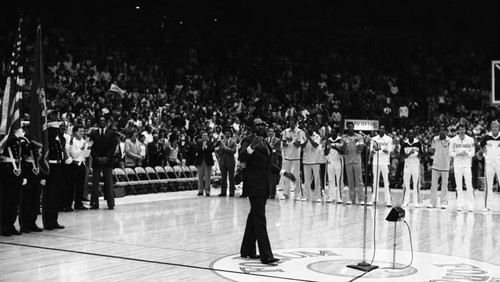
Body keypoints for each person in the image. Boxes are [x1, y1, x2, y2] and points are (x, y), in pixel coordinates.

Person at [239, 118, 295, 265]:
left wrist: (284, 172)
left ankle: (247, 250)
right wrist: (251, 147)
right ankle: (266, 255)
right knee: (260, 218)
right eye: (258, 125)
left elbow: (269, 165)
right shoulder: (248, 140)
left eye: (263, 124)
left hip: (263, 185)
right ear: (252, 127)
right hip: (254, 185)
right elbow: (242, 156)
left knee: (254, 216)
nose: (261, 127)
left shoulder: (265, 143)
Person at [19, 122, 44, 233]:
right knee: (26, 200)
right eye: (28, 129)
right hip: (27, 170)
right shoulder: (23, 141)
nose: (31, 131)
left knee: (35, 199)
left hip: (35, 172)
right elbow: (24, 152)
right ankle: (24, 224)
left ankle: (32, 222)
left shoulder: (34, 141)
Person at [89, 116, 118, 210]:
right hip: (97, 160)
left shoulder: (112, 133)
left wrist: (107, 157)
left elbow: (113, 147)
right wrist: (96, 157)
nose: (102, 122)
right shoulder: (93, 133)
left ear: (106, 122)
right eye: (100, 120)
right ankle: (94, 203)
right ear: (98, 123)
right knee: (95, 183)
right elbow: (91, 147)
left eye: (103, 121)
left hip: (108, 161)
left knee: (109, 182)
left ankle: (110, 204)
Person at [44, 117, 66, 230]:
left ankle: (54, 220)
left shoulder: (57, 142)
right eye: (54, 130)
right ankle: (48, 222)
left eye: (57, 131)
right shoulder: (46, 142)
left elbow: (60, 157)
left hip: (57, 169)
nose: (56, 133)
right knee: (50, 197)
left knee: (56, 197)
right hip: (50, 170)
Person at [1, 129, 24, 236]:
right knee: (6, 200)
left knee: (15, 201)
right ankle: (4, 226)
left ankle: (11, 224)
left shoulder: (17, 140)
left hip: (16, 172)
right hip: (7, 171)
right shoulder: (5, 139)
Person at [449, 124, 475, 212]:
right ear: (458, 130)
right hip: (457, 165)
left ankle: (471, 205)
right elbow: (450, 153)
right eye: (460, 129)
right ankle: (459, 205)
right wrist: (458, 154)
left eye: (463, 129)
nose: (462, 131)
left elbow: (473, 153)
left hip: (467, 165)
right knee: (458, 186)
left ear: (465, 130)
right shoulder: (453, 140)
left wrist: (466, 153)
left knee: (469, 185)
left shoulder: (470, 140)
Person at [66, 124, 92, 210]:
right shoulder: (72, 140)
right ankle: (68, 204)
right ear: (75, 131)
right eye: (80, 131)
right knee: (71, 185)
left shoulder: (83, 140)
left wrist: (89, 148)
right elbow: (73, 154)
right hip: (74, 164)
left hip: (82, 164)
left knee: (81, 185)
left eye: (83, 131)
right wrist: (83, 147)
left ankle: (78, 204)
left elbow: (86, 155)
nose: (82, 133)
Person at [427, 125, 451, 209]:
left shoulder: (449, 141)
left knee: (444, 185)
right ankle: (432, 202)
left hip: (445, 166)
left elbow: (451, 153)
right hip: (436, 165)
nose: (442, 132)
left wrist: (451, 164)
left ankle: (443, 202)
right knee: (433, 185)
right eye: (440, 130)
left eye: (443, 130)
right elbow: (432, 150)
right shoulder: (435, 139)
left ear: (446, 131)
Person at [369, 125, 393, 206]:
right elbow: (371, 152)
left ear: (385, 130)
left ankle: (388, 200)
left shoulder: (389, 139)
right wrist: (374, 150)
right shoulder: (374, 139)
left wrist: (381, 148)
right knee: (375, 181)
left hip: (385, 163)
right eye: (380, 129)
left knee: (386, 182)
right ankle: (374, 199)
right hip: (375, 162)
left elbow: (388, 151)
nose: (381, 130)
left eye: (383, 129)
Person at [341, 122, 365, 205]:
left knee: (359, 181)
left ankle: (361, 199)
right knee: (350, 181)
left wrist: (357, 142)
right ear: (347, 128)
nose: (351, 128)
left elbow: (361, 149)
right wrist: (345, 143)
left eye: (352, 127)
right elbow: (343, 150)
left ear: (354, 127)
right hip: (348, 161)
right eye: (349, 127)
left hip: (357, 161)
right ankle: (351, 199)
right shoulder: (343, 137)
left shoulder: (359, 136)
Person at [280, 117, 304, 200]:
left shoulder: (299, 132)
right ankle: (286, 193)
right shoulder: (286, 131)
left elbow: (299, 144)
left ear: (296, 123)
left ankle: (297, 194)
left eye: (292, 123)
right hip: (287, 157)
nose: (291, 124)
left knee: (297, 175)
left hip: (296, 157)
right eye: (290, 123)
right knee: (286, 175)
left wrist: (292, 140)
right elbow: (283, 143)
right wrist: (285, 144)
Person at [480, 120, 500, 212]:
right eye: (493, 126)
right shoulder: (486, 137)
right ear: (491, 128)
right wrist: (484, 154)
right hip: (489, 164)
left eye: (496, 126)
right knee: (489, 185)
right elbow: (481, 145)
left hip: (499, 163)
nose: (494, 128)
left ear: (498, 127)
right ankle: (488, 206)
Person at [401, 129, 422, 207]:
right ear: (407, 135)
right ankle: (406, 201)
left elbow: (421, 154)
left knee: (415, 183)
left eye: (412, 134)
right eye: (409, 134)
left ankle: (416, 201)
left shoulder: (418, 143)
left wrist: (416, 153)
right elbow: (402, 156)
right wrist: (410, 153)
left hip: (415, 164)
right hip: (407, 164)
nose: (411, 135)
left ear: (414, 134)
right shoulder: (404, 144)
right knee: (406, 184)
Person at [301, 123, 322, 202]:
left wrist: (309, 138)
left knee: (316, 179)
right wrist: (306, 139)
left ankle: (318, 196)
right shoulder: (303, 136)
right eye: (308, 127)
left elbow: (315, 145)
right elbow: (302, 146)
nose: (309, 128)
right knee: (306, 180)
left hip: (315, 160)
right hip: (306, 160)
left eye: (311, 127)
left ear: (313, 128)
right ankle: (306, 196)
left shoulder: (317, 136)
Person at [325, 129, 344, 203]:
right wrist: (328, 149)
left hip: (338, 160)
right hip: (330, 161)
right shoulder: (328, 140)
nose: (332, 133)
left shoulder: (340, 140)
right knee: (330, 179)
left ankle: (339, 197)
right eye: (331, 132)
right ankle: (331, 197)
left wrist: (335, 147)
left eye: (334, 132)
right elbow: (325, 152)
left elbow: (343, 151)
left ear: (337, 133)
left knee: (339, 179)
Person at [217, 128, 237, 197]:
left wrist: (226, 148)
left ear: (230, 134)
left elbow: (234, 151)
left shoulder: (233, 142)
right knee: (223, 178)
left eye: (228, 134)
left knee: (231, 178)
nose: (227, 135)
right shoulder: (222, 142)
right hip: (223, 161)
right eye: (226, 134)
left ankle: (232, 192)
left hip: (230, 162)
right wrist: (221, 149)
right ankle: (223, 192)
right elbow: (219, 152)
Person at [195, 131, 215, 196]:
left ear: (207, 136)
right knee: (200, 177)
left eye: (206, 135)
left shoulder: (210, 143)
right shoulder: (198, 143)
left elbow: (212, 149)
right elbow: (197, 149)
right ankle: (200, 190)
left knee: (207, 177)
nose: (204, 137)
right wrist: (202, 148)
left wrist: (206, 148)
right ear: (201, 136)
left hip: (207, 161)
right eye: (203, 135)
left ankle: (207, 191)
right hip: (200, 161)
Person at [266, 127, 282, 199]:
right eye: (269, 131)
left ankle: (272, 194)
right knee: (266, 177)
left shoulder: (277, 140)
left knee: (273, 177)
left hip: (274, 160)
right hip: (266, 160)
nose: (270, 133)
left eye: (272, 131)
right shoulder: (265, 140)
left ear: (274, 132)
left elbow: (279, 150)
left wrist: (273, 148)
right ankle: (267, 192)